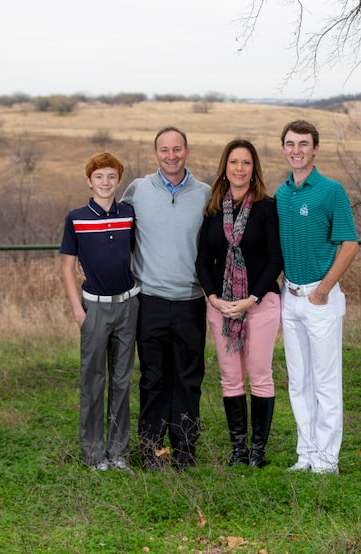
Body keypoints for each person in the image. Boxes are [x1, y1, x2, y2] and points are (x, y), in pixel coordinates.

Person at [121, 127, 211, 470]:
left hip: (190, 300)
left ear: (187, 151)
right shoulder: (138, 190)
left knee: (188, 378)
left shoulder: (204, 194)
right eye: (164, 150)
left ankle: (185, 449)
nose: (170, 155)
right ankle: (151, 449)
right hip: (151, 300)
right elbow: (117, 232)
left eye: (177, 149)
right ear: (155, 153)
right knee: (154, 377)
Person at [275, 120, 359, 475]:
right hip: (289, 297)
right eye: (291, 144)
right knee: (299, 381)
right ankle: (306, 454)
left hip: (319, 299)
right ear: (284, 149)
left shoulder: (330, 191)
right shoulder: (281, 194)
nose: (297, 150)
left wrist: (324, 289)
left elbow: (350, 244)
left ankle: (327, 460)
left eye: (303, 144)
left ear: (315, 149)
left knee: (325, 382)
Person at [195, 139, 283, 468]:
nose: (240, 168)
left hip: (259, 304)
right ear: (225, 168)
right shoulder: (214, 210)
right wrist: (214, 298)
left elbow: (276, 259)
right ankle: (238, 450)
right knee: (230, 377)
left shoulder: (266, 207)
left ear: (254, 169)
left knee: (259, 374)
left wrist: (250, 299)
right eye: (234, 162)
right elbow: (203, 261)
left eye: (246, 163)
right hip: (222, 307)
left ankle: (257, 451)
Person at [59, 152, 139, 472]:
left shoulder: (129, 214)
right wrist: (78, 310)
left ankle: (117, 452)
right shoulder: (76, 218)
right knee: (93, 380)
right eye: (99, 177)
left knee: (121, 380)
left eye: (111, 177)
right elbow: (66, 268)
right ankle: (93, 454)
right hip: (93, 307)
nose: (105, 183)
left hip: (127, 305)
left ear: (119, 181)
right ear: (88, 181)